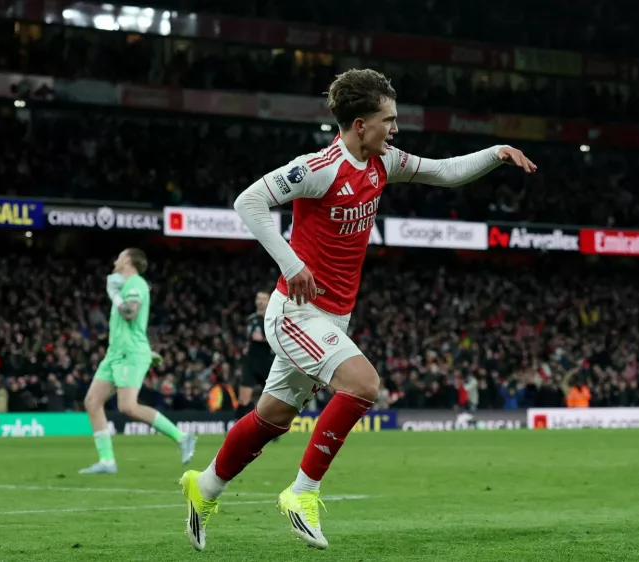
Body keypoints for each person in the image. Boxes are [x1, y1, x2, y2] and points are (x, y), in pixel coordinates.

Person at [179, 68, 536, 551]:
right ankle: (302, 493)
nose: (394, 128)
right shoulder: (321, 166)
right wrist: (291, 261)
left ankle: (203, 488)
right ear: (360, 124)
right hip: (296, 312)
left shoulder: (384, 161)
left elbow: (444, 172)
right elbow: (250, 201)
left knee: (273, 417)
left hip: (334, 315)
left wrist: (496, 153)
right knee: (364, 384)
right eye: (387, 120)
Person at [79, 248, 197, 474]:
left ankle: (182, 437)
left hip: (128, 354)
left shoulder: (136, 284)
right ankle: (107, 461)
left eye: (119, 255)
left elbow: (130, 313)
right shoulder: (126, 286)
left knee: (128, 407)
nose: (115, 260)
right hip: (115, 353)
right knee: (92, 401)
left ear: (128, 261)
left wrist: (113, 294)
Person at [236, 291, 273, 420]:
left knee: (269, 399)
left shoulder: (274, 318)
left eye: (264, 299)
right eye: (258, 299)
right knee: (243, 399)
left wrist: (263, 339)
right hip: (251, 361)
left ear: (269, 301)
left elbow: (278, 339)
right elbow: (250, 338)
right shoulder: (251, 319)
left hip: (267, 362)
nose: (261, 302)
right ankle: (235, 427)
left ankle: (269, 428)